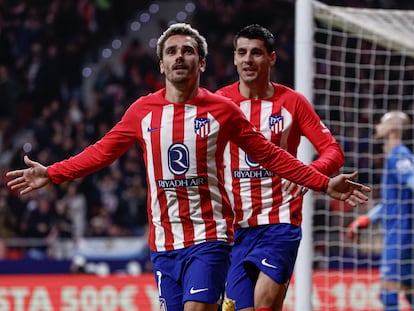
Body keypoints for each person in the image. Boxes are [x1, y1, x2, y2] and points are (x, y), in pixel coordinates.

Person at [6, 23, 370, 311]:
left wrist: (322, 182)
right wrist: (52, 173)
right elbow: (101, 152)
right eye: (172, 52)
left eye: (188, 51)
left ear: (202, 63)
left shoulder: (222, 110)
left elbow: (270, 155)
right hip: (164, 241)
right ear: (161, 64)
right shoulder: (141, 112)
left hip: (213, 235)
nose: (180, 56)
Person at [216, 24, 346, 311]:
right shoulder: (219, 103)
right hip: (235, 227)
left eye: (257, 53)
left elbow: (333, 151)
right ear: (235, 59)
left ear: (272, 58)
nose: (248, 60)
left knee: (262, 304)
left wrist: (312, 174)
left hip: (280, 221)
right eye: (242, 53)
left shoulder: (293, 103)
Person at [346, 111, 414, 311]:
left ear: (392, 129)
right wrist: (366, 219)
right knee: (409, 292)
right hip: (403, 233)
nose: (377, 127)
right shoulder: (398, 156)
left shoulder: (399, 155)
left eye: (382, 123)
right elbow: (391, 202)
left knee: (388, 293)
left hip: (400, 234)